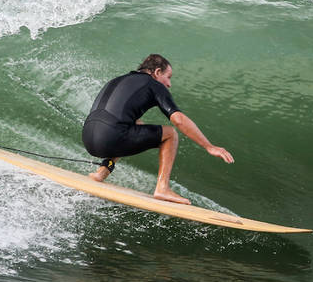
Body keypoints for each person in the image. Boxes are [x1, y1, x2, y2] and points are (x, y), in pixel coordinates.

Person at [81, 54, 234, 205]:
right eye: (168, 77)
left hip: (88, 137)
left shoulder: (117, 80)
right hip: (111, 138)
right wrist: (209, 146)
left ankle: (101, 172)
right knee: (170, 134)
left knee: (133, 125)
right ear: (157, 72)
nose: (169, 84)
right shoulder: (153, 84)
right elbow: (178, 120)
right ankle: (162, 188)